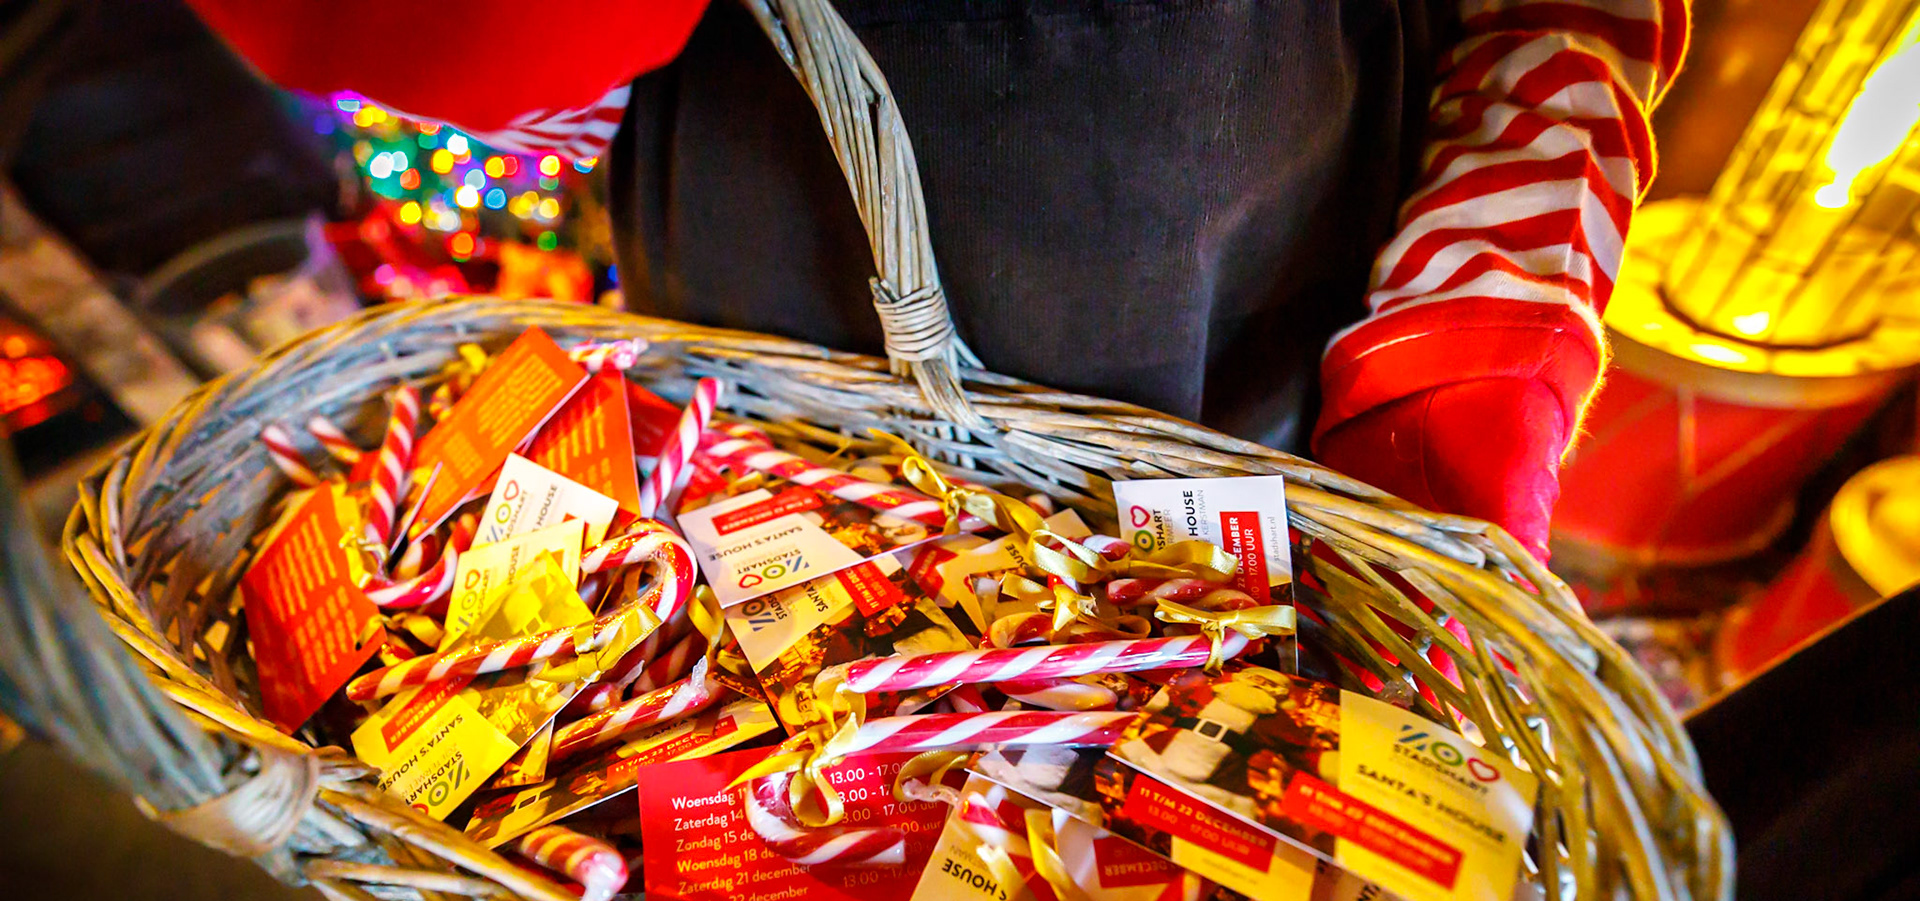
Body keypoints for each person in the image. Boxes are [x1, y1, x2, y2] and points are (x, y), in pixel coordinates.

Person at [184, 0, 1685, 561]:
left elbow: (1556, 13)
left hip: (1241, 375)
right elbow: (483, 66)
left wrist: (1471, 360)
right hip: (751, 350)